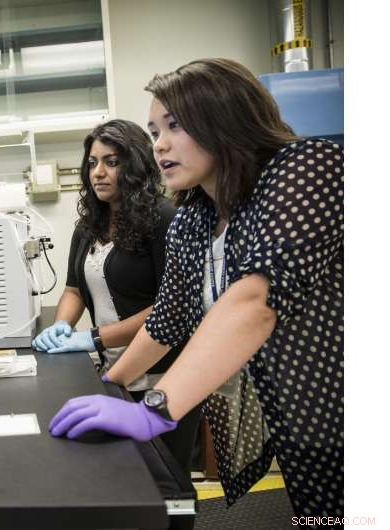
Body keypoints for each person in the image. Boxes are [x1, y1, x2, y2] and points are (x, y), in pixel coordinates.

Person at [48, 58, 343, 519]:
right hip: (301, 425)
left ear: (226, 120)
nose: (160, 144)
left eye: (175, 125)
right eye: (154, 131)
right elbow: (169, 318)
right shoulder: (194, 218)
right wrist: (110, 387)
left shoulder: (308, 168)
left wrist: (153, 411)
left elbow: (254, 300)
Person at [31, 118, 201, 475]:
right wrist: (63, 325)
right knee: (126, 477)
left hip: (162, 375)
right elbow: (74, 288)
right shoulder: (87, 225)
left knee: (167, 481)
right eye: (92, 163)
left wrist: (93, 337)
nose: (98, 172)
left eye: (111, 161)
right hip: (114, 371)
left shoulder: (164, 219)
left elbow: (170, 308)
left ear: (135, 164)